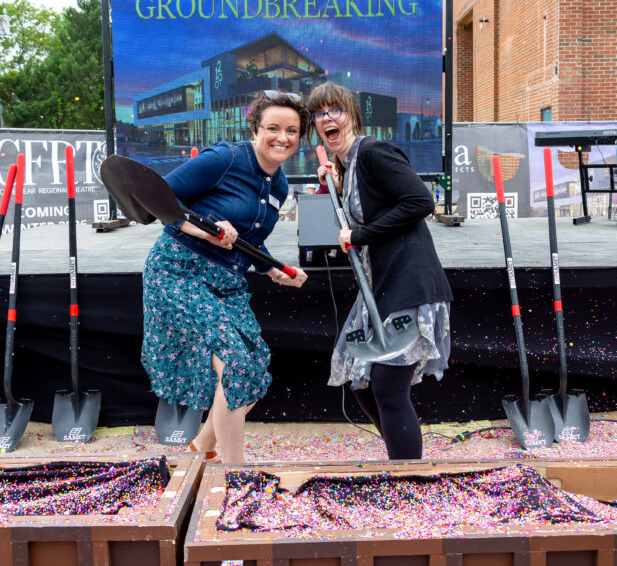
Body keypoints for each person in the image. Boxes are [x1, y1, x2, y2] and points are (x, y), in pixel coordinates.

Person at [142, 90, 310, 464]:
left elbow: (249, 244)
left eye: (292, 131)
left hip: (228, 282)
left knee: (252, 368)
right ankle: (234, 475)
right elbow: (158, 197)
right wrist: (204, 229)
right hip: (180, 270)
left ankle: (200, 451)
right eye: (273, 128)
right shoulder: (225, 159)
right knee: (235, 366)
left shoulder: (279, 185)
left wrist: (277, 270)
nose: (282, 138)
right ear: (255, 129)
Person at [310, 82, 452, 460]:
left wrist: (361, 234)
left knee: (388, 387)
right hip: (379, 287)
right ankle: (400, 455)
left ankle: (408, 475)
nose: (327, 119)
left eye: (334, 110)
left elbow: (421, 200)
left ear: (352, 115)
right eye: (319, 114)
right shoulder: (346, 166)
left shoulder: (373, 151)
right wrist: (331, 186)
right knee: (360, 382)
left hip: (408, 283)